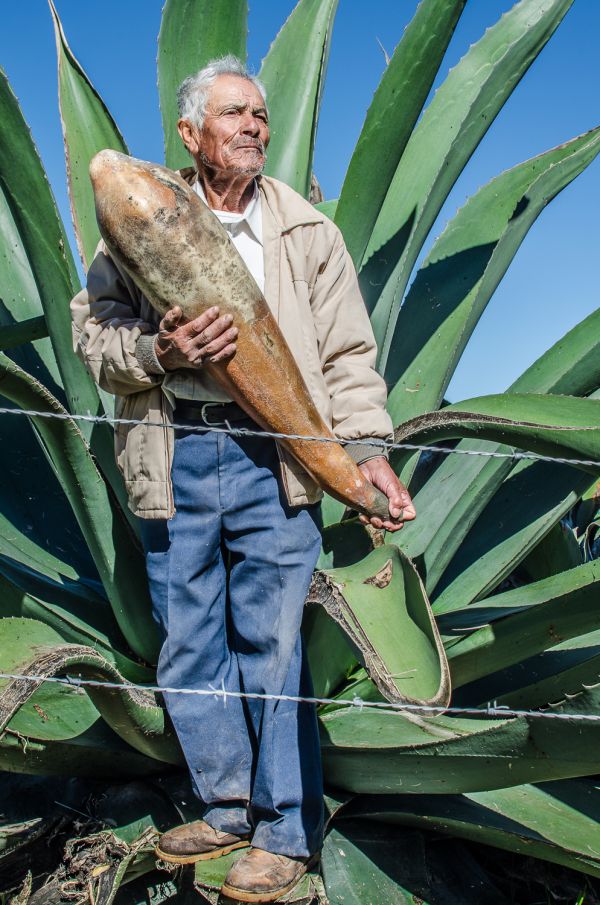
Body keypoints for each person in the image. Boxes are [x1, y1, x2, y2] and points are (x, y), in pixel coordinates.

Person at [71, 56, 415, 903]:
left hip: (278, 455)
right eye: (234, 114)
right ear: (191, 135)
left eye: (261, 114)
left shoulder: (306, 233)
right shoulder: (132, 227)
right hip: (175, 448)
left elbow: (346, 356)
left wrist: (365, 450)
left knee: (274, 639)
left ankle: (284, 830)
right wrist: (161, 352)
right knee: (190, 637)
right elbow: (97, 340)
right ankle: (225, 804)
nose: (255, 125)